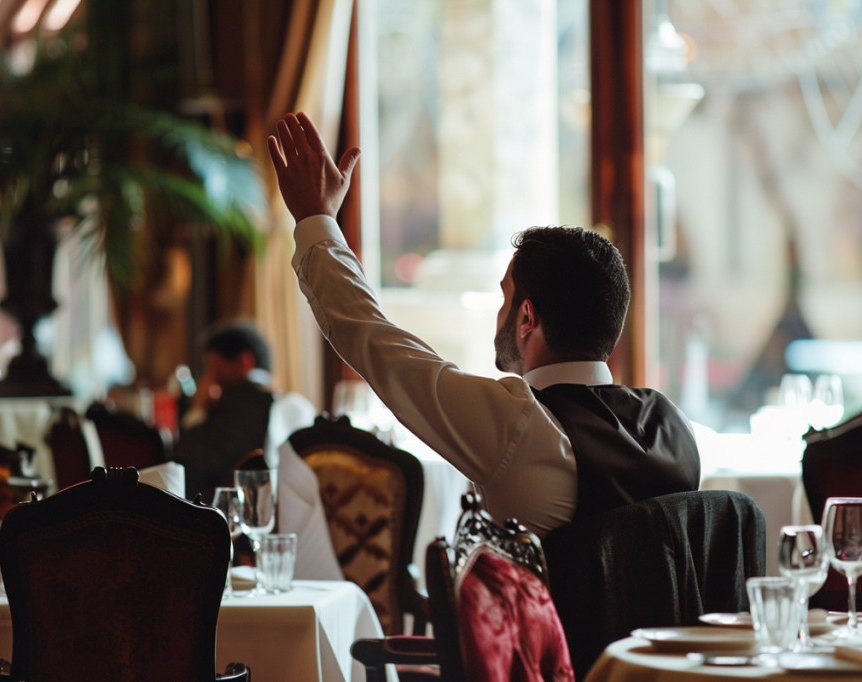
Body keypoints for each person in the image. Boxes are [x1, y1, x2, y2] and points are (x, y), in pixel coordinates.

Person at [266, 112, 701, 539]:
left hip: (546, 615)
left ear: (526, 317)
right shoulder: (673, 427)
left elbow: (370, 336)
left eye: (504, 298)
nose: (500, 313)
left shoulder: (519, 423)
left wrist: (315, 218)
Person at [175, 319, 342, 580]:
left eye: (215, 368)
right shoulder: (288, 402)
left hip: (229, 539)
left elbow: (190, 466)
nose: (209, 379)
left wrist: (197, 410)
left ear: (244, 361)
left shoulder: (238, 404)